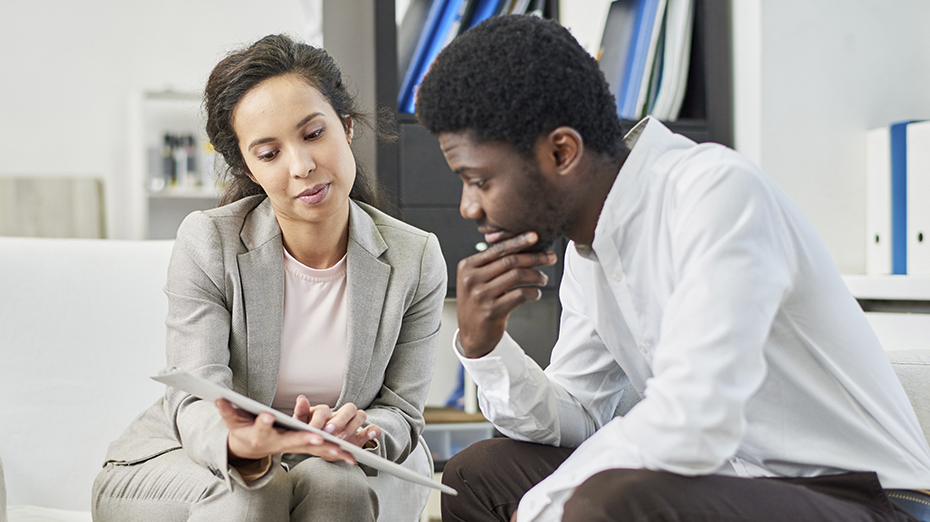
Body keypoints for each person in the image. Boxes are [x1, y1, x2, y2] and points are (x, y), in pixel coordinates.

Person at [413, 14, 930, 522]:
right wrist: (484, 348)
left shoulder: (715, 191)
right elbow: (582, 416)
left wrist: (544, 507)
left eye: (478, 180)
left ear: (562, 151)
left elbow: (696, 419)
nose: (469, 208)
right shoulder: (588, 252)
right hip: (728, 480)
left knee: (606, 503)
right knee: (475, 476)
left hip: (866, 499)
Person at [92, 34, 447, 522]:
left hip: (313, 461)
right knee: (256, 491)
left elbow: (402, 411)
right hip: (180, 461)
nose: (301, 166)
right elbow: (195, 395)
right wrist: (240, 444)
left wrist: (362, 431)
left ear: (345, 128)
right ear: (248, 169)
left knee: (339, 486)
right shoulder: (208, 242)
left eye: (313, 133)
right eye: (269, 153)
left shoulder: (416, 257)